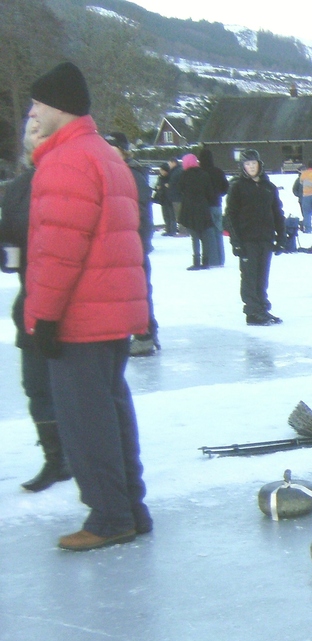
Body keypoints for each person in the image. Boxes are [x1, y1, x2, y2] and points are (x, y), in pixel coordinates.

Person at [23, 61, 151, 550]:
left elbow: (57, 250)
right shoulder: (101, 154)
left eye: (37, 104)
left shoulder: (67, 160)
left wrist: (45, 316)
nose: (32, 112)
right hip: (111, 313)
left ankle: (109, 517)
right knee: (112, 411)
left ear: (57, 107)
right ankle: (129, 508)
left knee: (86, 421)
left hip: (81, 315)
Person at [2, 115, 71, 493]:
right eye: (29, 132)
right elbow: (11, 237)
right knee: (36, 386)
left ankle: (84, 456)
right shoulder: (17, 187)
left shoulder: (68, 177)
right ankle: (55, 459)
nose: (33, 137)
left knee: (74, 388)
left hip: (73, 303)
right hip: (31, 299)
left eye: (39, 131)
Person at [103, 132, 158, 356]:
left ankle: (145, 335)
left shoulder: (132, 174)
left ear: (123, 150)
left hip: (133, 245)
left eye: (113, 147)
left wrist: (140, 243)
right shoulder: (109, 171)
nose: (108, 151)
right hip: (117, 245)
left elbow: (142, 214)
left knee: (138, 291)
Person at [225, 148, 285, 325]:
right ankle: (252, 311)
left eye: (253, 163)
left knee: (262, 276)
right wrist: (235, 242)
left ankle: (262, 308)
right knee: (250, 276)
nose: (251, 167)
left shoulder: (268, 187)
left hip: (265, 238)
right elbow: (230, 215)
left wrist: (281, 237)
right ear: (243, 167)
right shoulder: (237, 187)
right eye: (247, 164)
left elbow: (277, 212)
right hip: (247, 239)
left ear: (260, 165)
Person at [178, 153, 216, 270]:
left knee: (194, 236)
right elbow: (210, 193)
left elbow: (180, 190)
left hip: (189, 208)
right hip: (203, 207)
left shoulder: (183, 175)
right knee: (205, 236)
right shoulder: (204, 175)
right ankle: (206, 261)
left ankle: (196, 261)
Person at [199, 146, 228, 267]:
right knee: (218, 232)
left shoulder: (201, 172)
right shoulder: (218, 171)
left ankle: (213, 259)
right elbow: (225, 187)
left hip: (206, 206)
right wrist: (219, 194)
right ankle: (221, 259)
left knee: (209, 233)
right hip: (217, 204)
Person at [153, 163, 178, 235]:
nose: (161, 171)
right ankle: (168, 229)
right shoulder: (160, 177)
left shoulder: (170, 177)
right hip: (163, 198)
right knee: (165, 215)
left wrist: (165, 187)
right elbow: (157, 186)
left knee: (171, 215)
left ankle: (172, 230)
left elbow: (171, 187)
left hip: (169, 199)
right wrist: (157, 188)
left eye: (162, 170)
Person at [166, 157, 183, 234]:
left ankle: (183, 231)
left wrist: (170, 185)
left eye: (169, 163)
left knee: (179, 215)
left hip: (177, 197)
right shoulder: (175, 171)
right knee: (177, 215)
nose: (168, 165)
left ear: (174, 162)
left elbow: (178, 184)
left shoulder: (177, 171)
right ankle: (179, 230)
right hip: (174, 197)